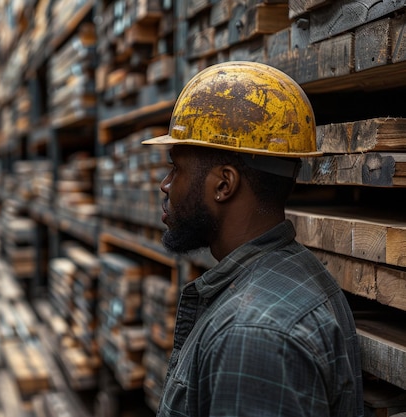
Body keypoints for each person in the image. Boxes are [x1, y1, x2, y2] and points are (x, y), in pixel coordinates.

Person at [141, 61, 364, 417]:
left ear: (224, 184)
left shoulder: (254, 336)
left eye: (177, 168)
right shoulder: (294, 272)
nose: (165, 185)